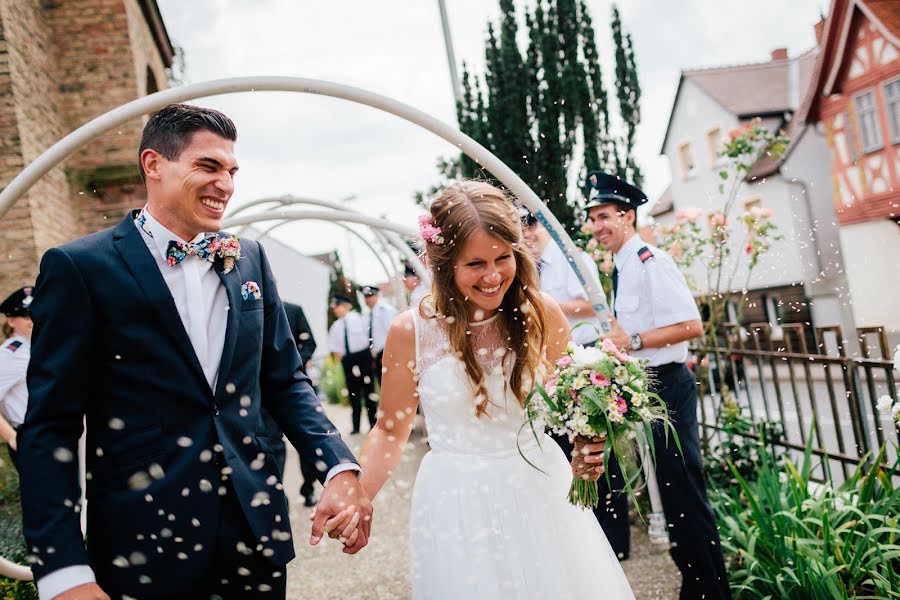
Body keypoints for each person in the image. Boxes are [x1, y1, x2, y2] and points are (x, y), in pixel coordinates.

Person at [18, 104, 371, 600]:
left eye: (231, 171)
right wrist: (63, 573)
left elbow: (285, 380)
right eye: (208, 166)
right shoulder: (81, 268)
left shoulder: (249, 259)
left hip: (254, 534)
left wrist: (337, 467)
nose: (225, 184)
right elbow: (49, 426)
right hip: (142, 546)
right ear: (153, 164)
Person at [350, 181, 635, 599]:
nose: (492, 275)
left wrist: (588, 442)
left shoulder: (541, 313)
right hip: (456, 498)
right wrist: (358, 497)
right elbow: (391, 430)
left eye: (504, 258)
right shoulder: (410, 331)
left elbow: (576, 400)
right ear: (444, 266)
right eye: (475, 264)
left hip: (539, 486)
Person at [585, 171, 730, 599]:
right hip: (647, 389)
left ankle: (709, 591)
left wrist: (630, 341)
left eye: (606, 216)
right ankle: (696, 584)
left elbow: (691, 325)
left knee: (684, 492)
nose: (598, 226)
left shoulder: (651, 261)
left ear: (628, 216)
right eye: (593, 218)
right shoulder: (623, 265)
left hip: (669, 387)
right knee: (667, 492)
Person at [262, 300, 321, 507]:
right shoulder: (249, 311)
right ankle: (279, 494)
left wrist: (291, 362)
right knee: (273, 443)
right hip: (264, 392)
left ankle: (308, 489)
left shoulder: (293, 310)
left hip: (295, 388)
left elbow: (310, 343)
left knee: (306, 441)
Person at [522, 212, 603, 347]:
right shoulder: (528, 265)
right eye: (521, 230)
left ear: (546, 226)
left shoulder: (572, 258)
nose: (526, 234)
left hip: (583, 350)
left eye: (531, 226)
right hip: (551, 350)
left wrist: (542, 307)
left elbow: (595, 306)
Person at [327, 294, 377, 434]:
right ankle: (356, 426)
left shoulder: (360, 319)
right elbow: (334, 348)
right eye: (334, 308)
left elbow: (369, 338)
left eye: (338, 306)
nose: (336, 310)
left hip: (362, 357)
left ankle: (373, 423)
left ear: (346, 306)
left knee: (369, 391)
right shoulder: (335, 327)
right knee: (353, 393)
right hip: (347, 360)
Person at [0, 286, 34, 469]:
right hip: (30, 437)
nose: (33, 320)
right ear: (12, 321)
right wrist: (13, 438)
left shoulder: (36, 346)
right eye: (27, 316)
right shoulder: (10, 355)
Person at [361, 285, 396, 389]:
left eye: (370, 296)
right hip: (376, 357)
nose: (368, 299)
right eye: (366, 297)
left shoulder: (385, 310)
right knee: (385, 387)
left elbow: (393, 334)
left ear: (377, 296)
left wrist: (388, 354)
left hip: (387, 353)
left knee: (394, 387)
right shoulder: (367, 315)